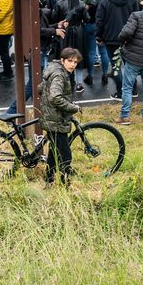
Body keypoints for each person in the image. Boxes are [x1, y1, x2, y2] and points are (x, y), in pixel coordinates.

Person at [40, 47, 82, 185]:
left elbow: (41, 88)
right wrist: (72, 107)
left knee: (54, 151)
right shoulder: (59, 75)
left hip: (51, 116)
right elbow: (55, 98)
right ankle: (65, 183)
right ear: (62, 60)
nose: (73, 65)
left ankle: (49, 178)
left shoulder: (54, 69)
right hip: (56, 119)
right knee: (65, 154)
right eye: (70, 61)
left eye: (75, 62)